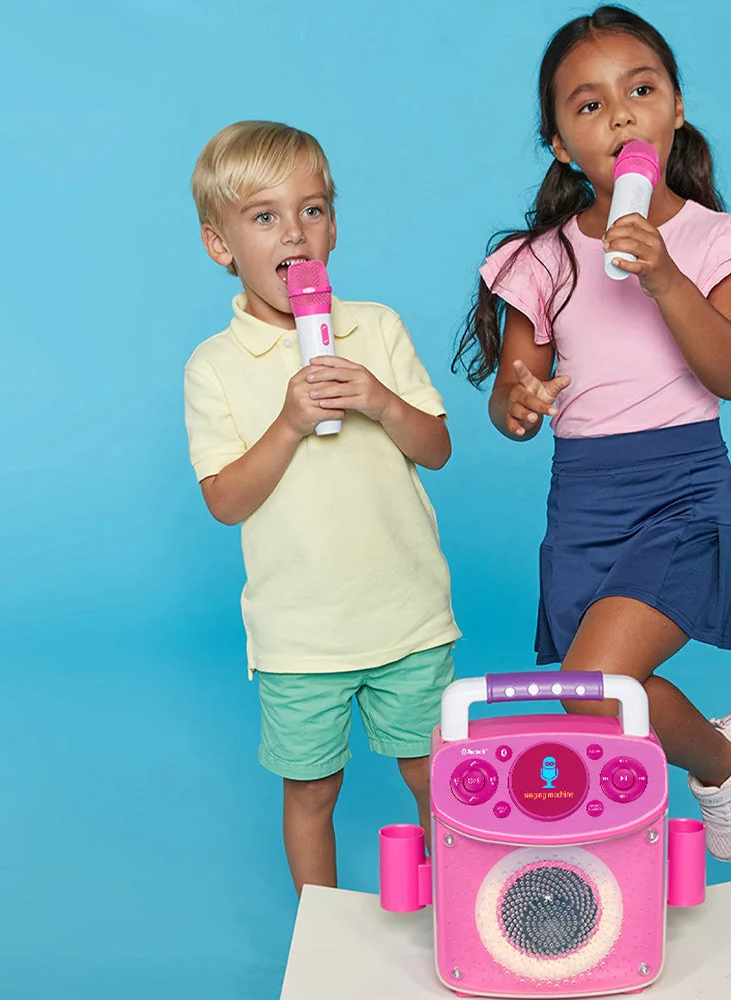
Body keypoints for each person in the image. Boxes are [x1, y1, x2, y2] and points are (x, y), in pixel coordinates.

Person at [453, 7, 731, 861]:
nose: (621, 116)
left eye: (641, 91)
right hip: (583, 507)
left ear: (676, 109)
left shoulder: (723, 240)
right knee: (593, 698)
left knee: (596, 683)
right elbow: (513, 394)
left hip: (680, 495)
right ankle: (726, 758)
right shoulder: (543, 259)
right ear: (562, 144)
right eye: (590, 105)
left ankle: (711, 773)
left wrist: (666, 276)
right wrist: (517, 404)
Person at [185, 121, 460, 892]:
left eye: (312, 210)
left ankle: (457, 912)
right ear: (221, 245)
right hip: (301, 637)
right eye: (264, 216)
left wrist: (379, 400)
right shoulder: (214, 366)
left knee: (436, 776)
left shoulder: (376, 327)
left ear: (333, 226)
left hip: (407, 617)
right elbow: (225, 501)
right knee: (312, 791)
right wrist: (287, 423)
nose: (294, 232)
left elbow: (437, 447)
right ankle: (321, 931)